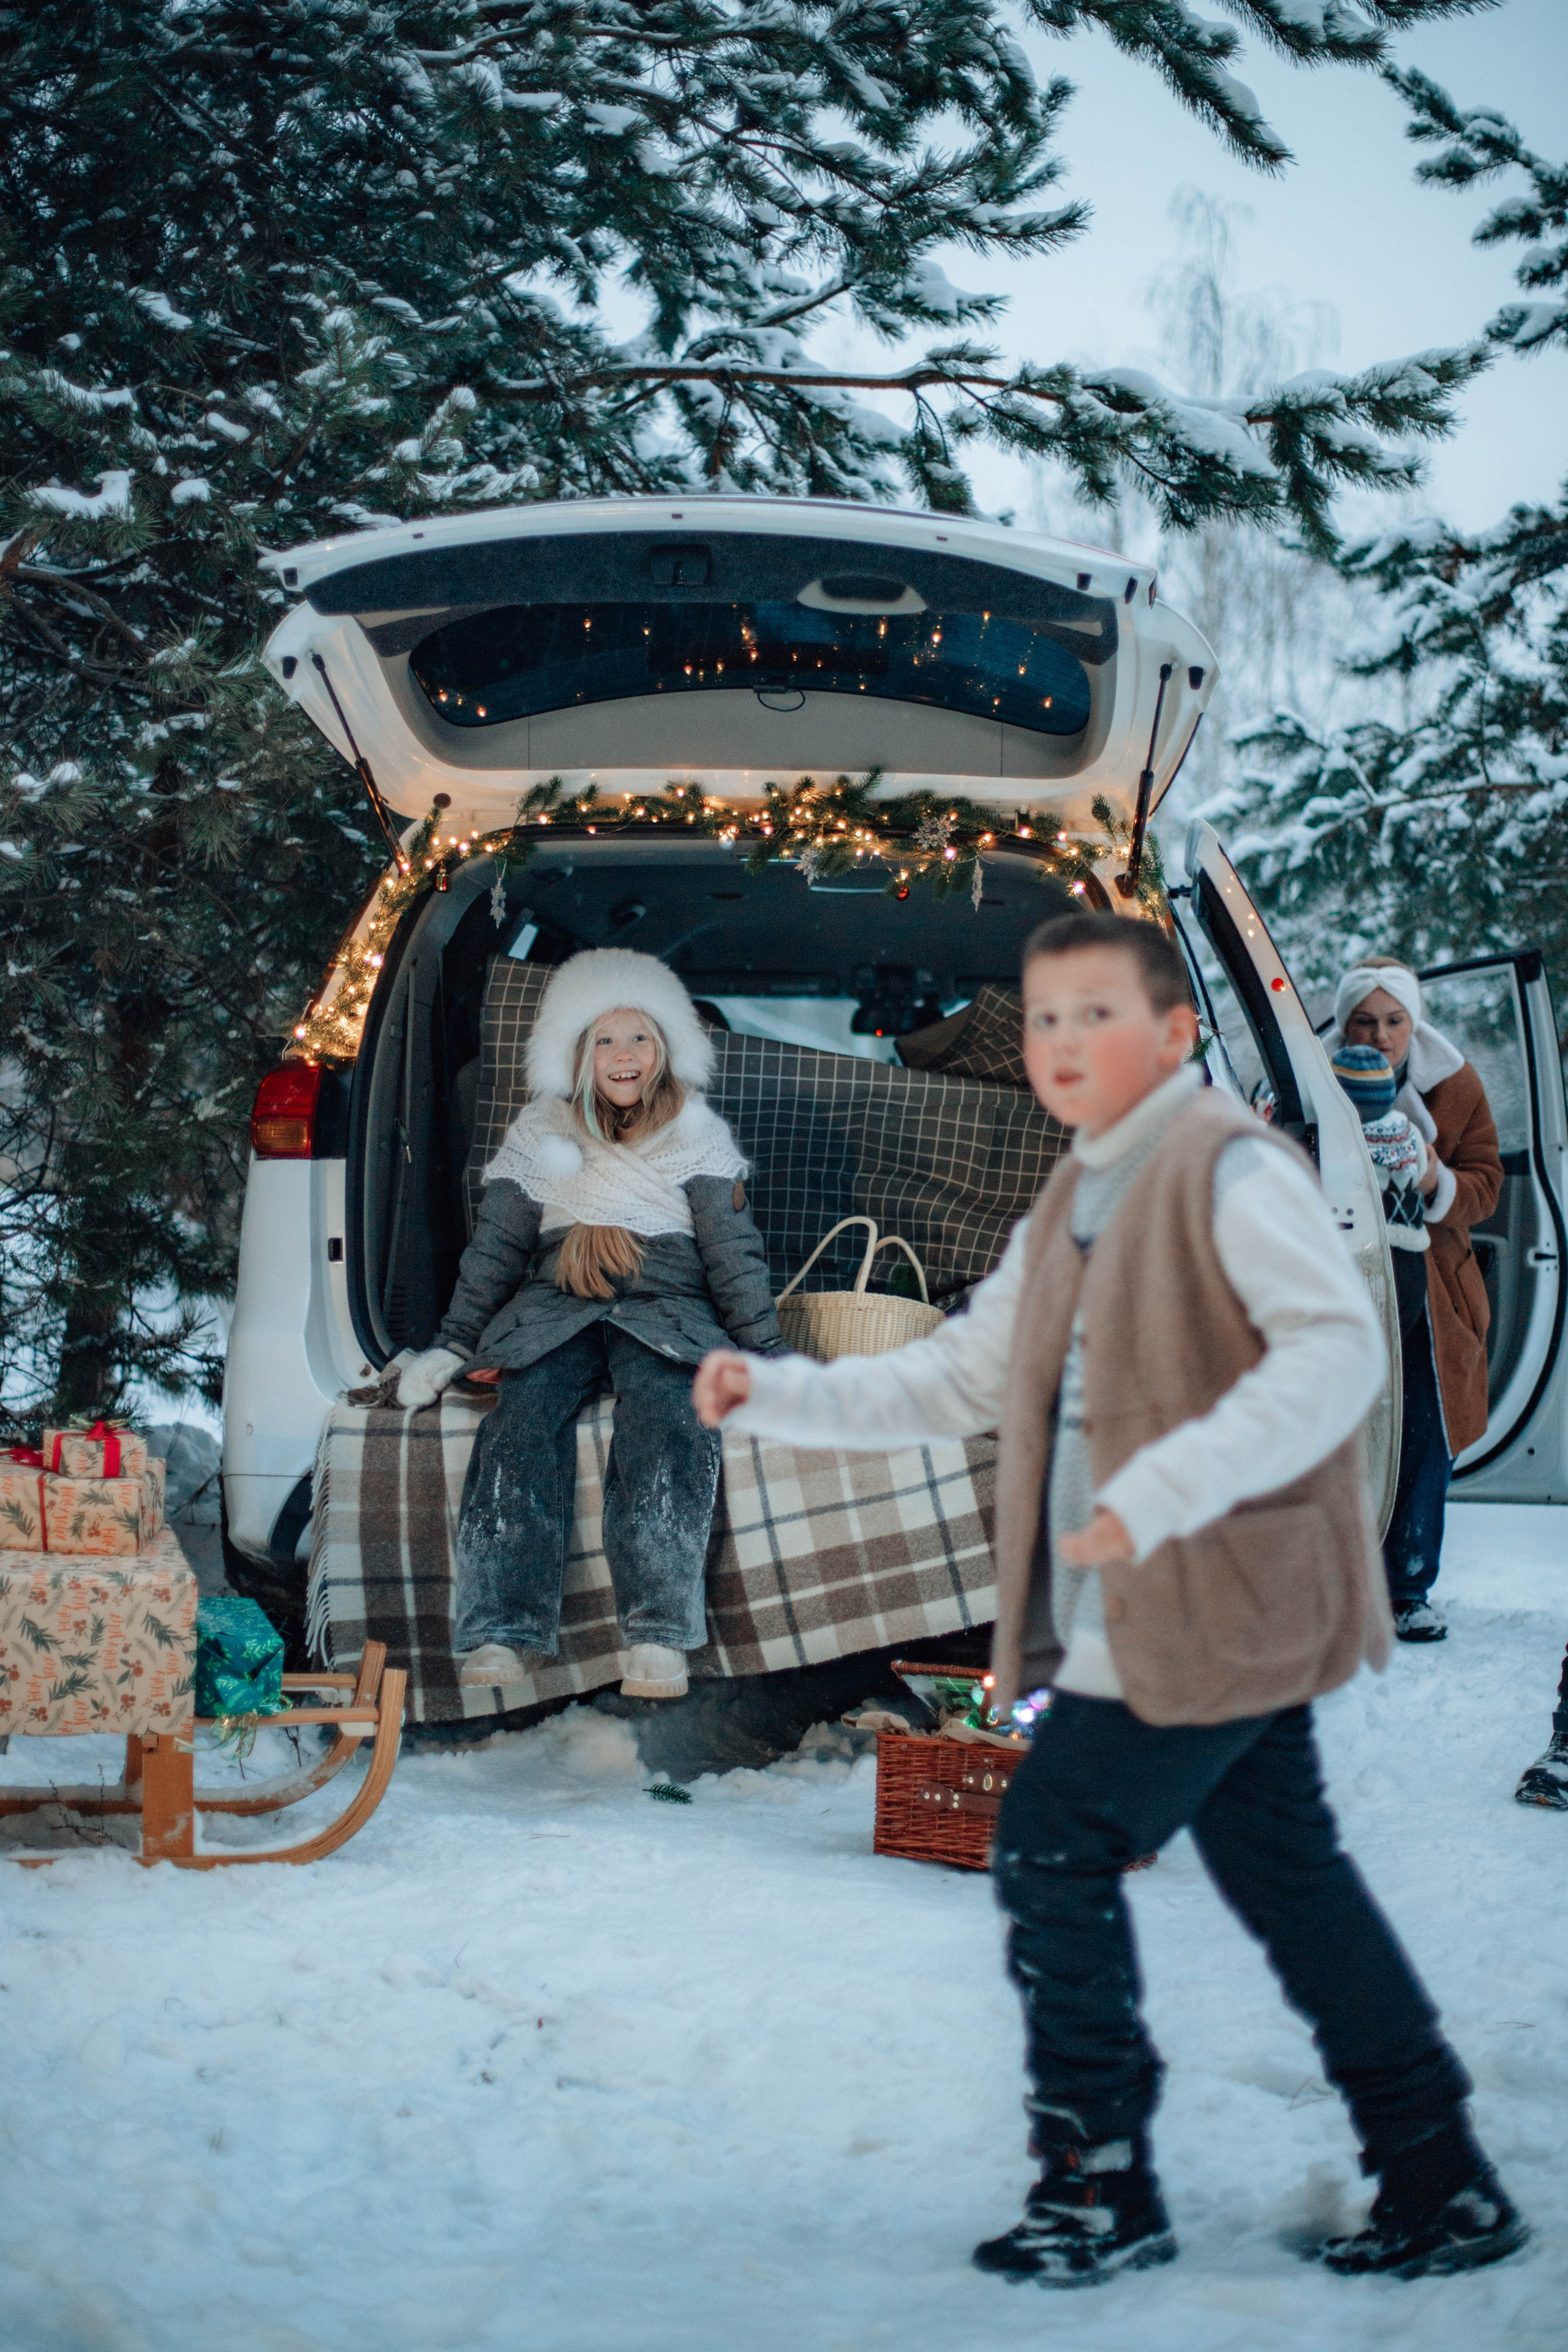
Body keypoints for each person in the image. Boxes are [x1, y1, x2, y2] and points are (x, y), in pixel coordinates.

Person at [695, 911, 1525, 2288]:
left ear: (1175, 1036)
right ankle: (1436, 2176)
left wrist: (1170, 1485)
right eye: (1044, 1020)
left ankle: (1098, 2184)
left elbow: (1333, 1358)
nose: (1065, 1044)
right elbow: (960, 1378)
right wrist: (776, 1392)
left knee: (1050, 1846)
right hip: (1171, 1602)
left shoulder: (1226, 1173)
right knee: (1292, 1885)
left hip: (1215, 1594)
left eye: (1098, 1016)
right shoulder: (1079, 1191)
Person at [388, 948, 784, 1700]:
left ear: (665, 1048)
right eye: (605, 1039)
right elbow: (497, 1248)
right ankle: (500, 1630)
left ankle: (659, 1635)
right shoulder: (543, 1128)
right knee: (520, 1423)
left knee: (672, 1419)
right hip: (556, 1301)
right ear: (577, 1053)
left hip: (666, 1306)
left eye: (639, 1038)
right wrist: (453, 1341)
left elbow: (733, 1254)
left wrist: (766, 1351)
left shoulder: (694, 1130)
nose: (623, 1055)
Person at [1329, 959, 1504, 1643]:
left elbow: (1486, 1185)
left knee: (1422, 1434)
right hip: (1339, 1280)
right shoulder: (1311, 1077)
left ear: (1414, 1022)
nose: (1380, 1036)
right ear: (1344, 1025)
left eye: (1394, 1021)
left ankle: (1406, 1587)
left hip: (1430, 1293)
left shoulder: (1453, 1085)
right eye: (1365, 1022)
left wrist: (1433, 1176)